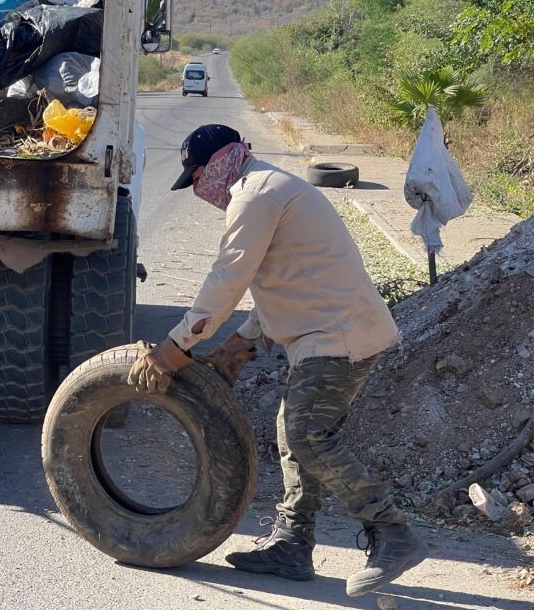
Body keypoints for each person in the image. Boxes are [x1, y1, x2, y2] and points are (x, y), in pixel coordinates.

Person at [127, 124, 427, 598]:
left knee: (307, 436)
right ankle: (292, 545)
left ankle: (393, 532)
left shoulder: (255, 196)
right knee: (295, 436)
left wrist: (174, 347)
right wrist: (241, 343)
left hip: (337, 337)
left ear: (221, 160)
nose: (199, 188)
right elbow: (285, 278)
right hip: (328, 334)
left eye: (199, 175)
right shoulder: (266, 186)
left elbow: (229, 278)